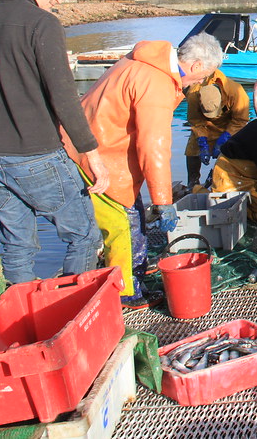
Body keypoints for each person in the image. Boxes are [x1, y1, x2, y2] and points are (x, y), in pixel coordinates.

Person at [0, 0, 110, 285]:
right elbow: (64, 97)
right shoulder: (43, 24)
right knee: (84, 236)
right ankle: (74, 308)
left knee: (17, 244)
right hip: (37, 153)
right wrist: (92, 154)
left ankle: (19, 314)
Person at [63, 32, 222, 308]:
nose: (197, 83)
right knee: (121, 225)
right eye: (200, 77)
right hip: (98, 157)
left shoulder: (142, 61)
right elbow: (154, 147)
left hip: (97, 147)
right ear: (195, 66)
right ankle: (124, 290)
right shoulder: (156, 82)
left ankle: (135, 275)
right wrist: (163, 201)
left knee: (133, 216)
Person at [184, 69, 250, 189]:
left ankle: (218, 177)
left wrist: (225, 137)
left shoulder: (237, 92)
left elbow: (240, 120)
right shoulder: (193, 94)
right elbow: (195, 121)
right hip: (205, 124)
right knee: (192, 149)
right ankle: (192, 182)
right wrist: (202, 140)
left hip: (229, 124)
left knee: (230, 150)